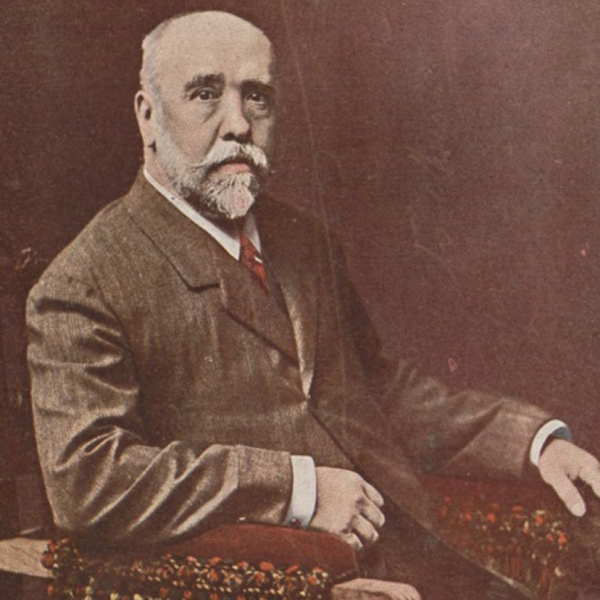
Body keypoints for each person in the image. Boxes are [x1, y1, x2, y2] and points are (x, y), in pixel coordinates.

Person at [26, 10, 600, 600]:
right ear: (147, 115)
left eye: (257, 97)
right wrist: (298, 489)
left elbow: (378, 391)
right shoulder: (87, 280)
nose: (239, 125)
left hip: (413, 557)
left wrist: (535, 444)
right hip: (272, 581)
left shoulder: (304, 240)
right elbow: (88, 482)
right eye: (205, 94)